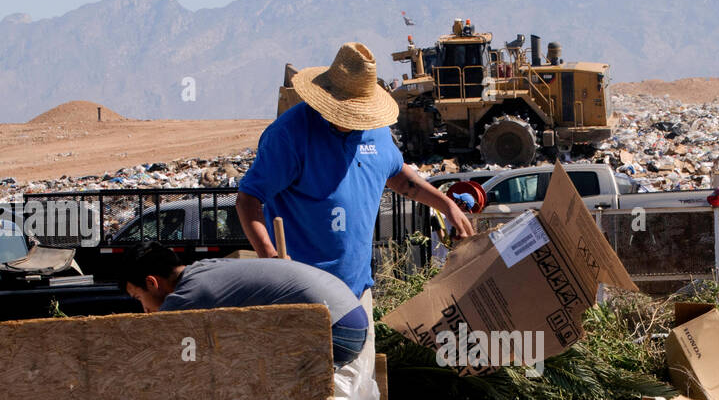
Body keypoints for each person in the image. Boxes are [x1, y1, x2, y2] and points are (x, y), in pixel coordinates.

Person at [235, 41, 474, 313]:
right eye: (347, 113)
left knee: (359, 355)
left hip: (357, 294)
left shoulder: (377, 131)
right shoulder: (290, 134)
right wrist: (271, 256)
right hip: (298, 296)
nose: (355, 120)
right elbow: (248, 199)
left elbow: (397, 174)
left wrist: (447, 205)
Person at [120, 243, 370, 366]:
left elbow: (154, 348)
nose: (145, 310)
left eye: (138, 298)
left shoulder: (187, 296)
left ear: (152, 283)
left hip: (335, 329)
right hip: (351, 315)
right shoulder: (204, 269)